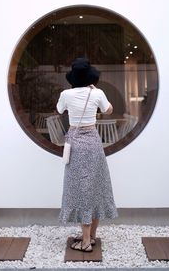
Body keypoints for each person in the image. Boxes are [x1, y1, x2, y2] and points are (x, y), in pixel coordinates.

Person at [56, 58, 118, 252]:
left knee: (81, 188)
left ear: (73, 77)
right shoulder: (97, 92)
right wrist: (94, 96)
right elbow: (109, 110)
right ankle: (90, 237)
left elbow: (59, 110)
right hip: (93, 141)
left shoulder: (66, 94)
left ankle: (84, 242)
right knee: (96, 187)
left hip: (75, 142)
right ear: (90, 76)